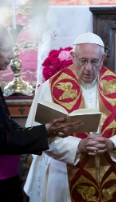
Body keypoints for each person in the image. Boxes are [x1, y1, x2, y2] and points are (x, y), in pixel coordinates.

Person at [24, 32, 116, 202]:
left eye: (94, 61)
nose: (88, 68)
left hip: (113, 170)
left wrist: (112, 144)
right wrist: (78, 146)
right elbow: (39, 137)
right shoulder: (49, 89)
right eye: (83, 61)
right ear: (73, 57)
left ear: (103, 58)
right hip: (64, 177)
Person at [0, 25, 81, 201]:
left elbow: (7, 124)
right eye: (6, 50)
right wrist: (44, 131)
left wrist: (38, 131)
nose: (12, 56)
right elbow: (2, 140)